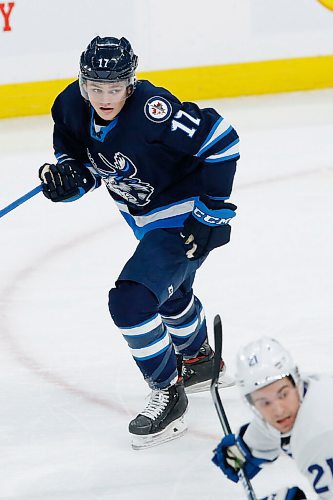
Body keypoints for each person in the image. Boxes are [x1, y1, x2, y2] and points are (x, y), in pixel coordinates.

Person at [38, 36, 239, 449]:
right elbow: (87, 160)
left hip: (182, 218)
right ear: (82, 83)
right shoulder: (71, 107)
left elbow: (222, 140)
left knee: (131, 301)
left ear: (130, 83)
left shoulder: (152, 111)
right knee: (168, 292)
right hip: (145, 219)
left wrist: (213, 212)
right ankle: (199, 358)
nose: (105, 96)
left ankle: (168, 392)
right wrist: (69, 179)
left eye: (115, 87)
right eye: (97, 87)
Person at [212, 337, 333, 499]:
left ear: (295, 382)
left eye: (283, 394)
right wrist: (238, 454)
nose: (278, 410)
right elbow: (259, 439)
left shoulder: (318, 440)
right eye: (264, 402)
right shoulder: (305, 390)